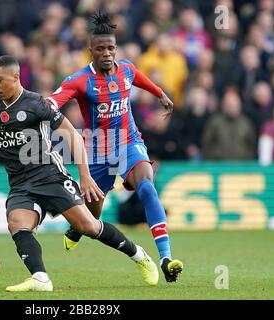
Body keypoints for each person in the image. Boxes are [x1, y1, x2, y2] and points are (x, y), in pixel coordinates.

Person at [0, 55, 160, 292]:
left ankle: (139, 255)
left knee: (88, 227)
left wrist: (85, 176)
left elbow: (72, 135)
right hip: (19, 183)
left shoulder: (37, 104)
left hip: (50, 176)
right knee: (17, 223)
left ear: (15, 77)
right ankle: (40, 279)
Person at [46, 12, 183, 282]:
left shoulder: (127, 69)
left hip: (129, 142)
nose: (107, 53)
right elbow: (51, 102)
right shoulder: (79, 80)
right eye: (100, 49)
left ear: (115, 48)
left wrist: (160, 93)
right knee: (90, 218)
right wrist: (26, 116)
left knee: (146, 186)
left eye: (111, 48)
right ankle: (78, 229)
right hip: (97, 152)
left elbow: (139, 78)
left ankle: (165, 257)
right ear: (91, 51)